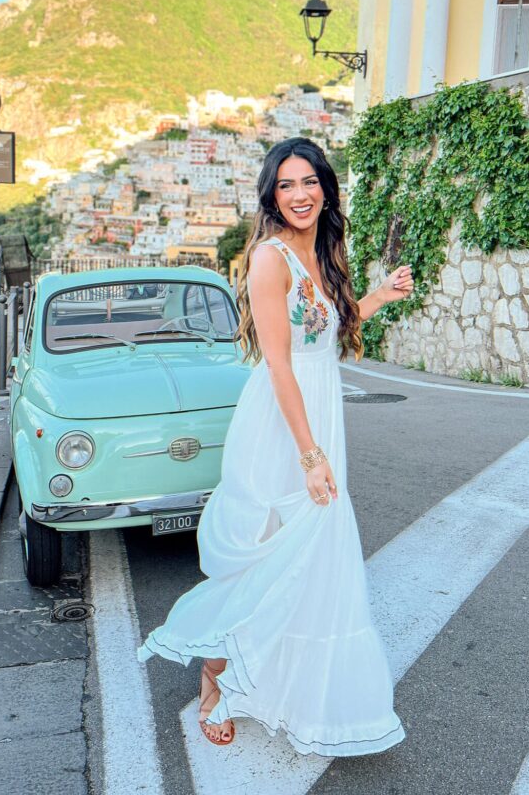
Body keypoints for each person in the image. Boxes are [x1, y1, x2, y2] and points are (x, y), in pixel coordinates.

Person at [137, 136, 414, 756]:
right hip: (282, 423)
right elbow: (282, 365)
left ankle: (281, 689)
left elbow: (330, 332)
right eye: (286, 185)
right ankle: (214, 679)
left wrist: (378, 297)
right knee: (266, 551)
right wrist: (310, 457)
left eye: (309, 182)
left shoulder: (323, 249)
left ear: (326, 188)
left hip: (317, 412)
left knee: (313, 559)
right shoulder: (269, 258)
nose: (299, 195)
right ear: (271, 193)